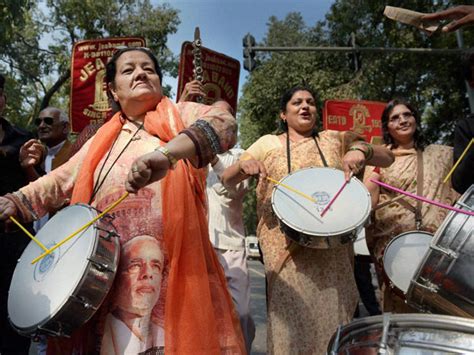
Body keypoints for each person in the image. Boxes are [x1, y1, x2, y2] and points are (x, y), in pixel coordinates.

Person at [0, 48, 245, 354]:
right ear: (113, 90)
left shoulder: (181, 115)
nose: (140, 73)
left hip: (171, 278)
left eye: (148, 69)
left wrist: (166, 154)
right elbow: (59, 180)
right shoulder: (103, 138)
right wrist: (16, 201)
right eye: (128, 70)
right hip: (108, 278)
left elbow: (224, 123)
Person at [221, 86, 394, 354]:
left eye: (311, 102)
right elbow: (227, 179)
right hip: (285, 253)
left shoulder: (335, 139)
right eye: (297, 102)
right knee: (292, 330)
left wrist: (362, 150)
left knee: (334, 326)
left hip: (334, 254)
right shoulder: (268, 143)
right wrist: (243, 167)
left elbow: (388, 156)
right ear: (283, 114)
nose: (305, 106)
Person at [364, 99, 459, 313]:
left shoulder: (441, 154)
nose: (403, 120)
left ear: (415, 118)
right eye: (395, 118)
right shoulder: (380, 159)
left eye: (407, 115)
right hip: (395, 250)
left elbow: (460, 188)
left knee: (439, 311)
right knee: (401, 314)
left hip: (436, 248)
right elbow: (368, 199)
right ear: (387, 126)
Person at [0, 73, 33, 355]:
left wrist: (28, 165)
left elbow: (40, 188)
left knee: (16, 312)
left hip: (16, 240)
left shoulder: (23, 138)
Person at [101, 235, 165, 354]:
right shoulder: (101, 332)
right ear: (117, 277)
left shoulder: (164, 335)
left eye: (156, 266)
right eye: (135, 265)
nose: (147, 273)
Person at [19, 107, 72, 232]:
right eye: (38, 122)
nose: (41, 126)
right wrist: (28, 167)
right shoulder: (38, 156)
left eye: (48, 121)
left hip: (63, 232)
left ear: (65, 127)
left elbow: (54, 196)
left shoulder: (74, 154)